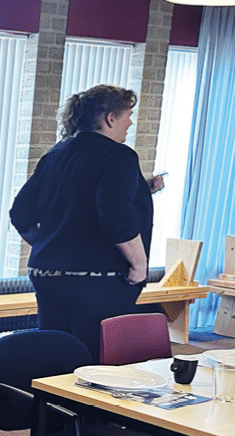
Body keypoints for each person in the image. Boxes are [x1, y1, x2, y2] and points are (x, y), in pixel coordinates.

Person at [9, 84, 152, 360]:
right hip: (98, 281)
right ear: (111, 118)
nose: (131, 123)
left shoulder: (56, 154)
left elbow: (21, 215)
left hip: (47, 275)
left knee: (56, 358)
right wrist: (139, 264)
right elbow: (115, 216)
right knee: (96, 363)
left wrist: (51, 245)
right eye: (128, 115)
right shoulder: (119, 155)